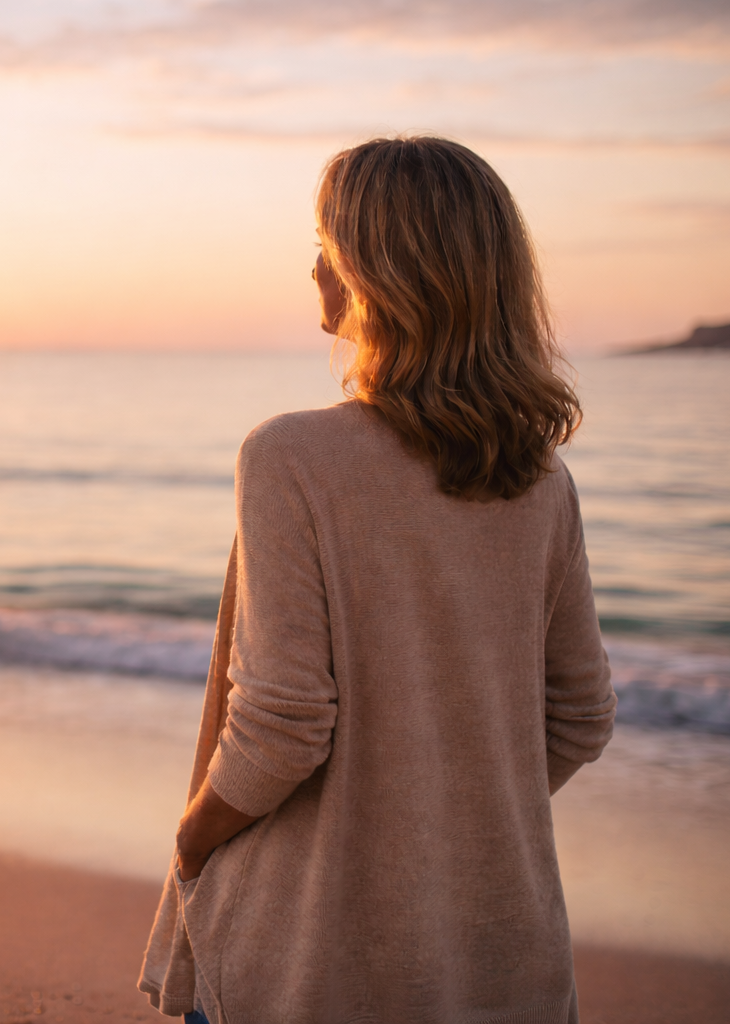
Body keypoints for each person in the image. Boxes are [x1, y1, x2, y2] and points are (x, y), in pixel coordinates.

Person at [137, 136, 617, 1024]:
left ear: (374, 273)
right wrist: (442, 808)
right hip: (500, 959)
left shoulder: (291, 457)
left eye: (327, 244)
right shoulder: (541, 481)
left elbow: (282, 726)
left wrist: (193, 838)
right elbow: (581, 716)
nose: (313, 267)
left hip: (311, 958)